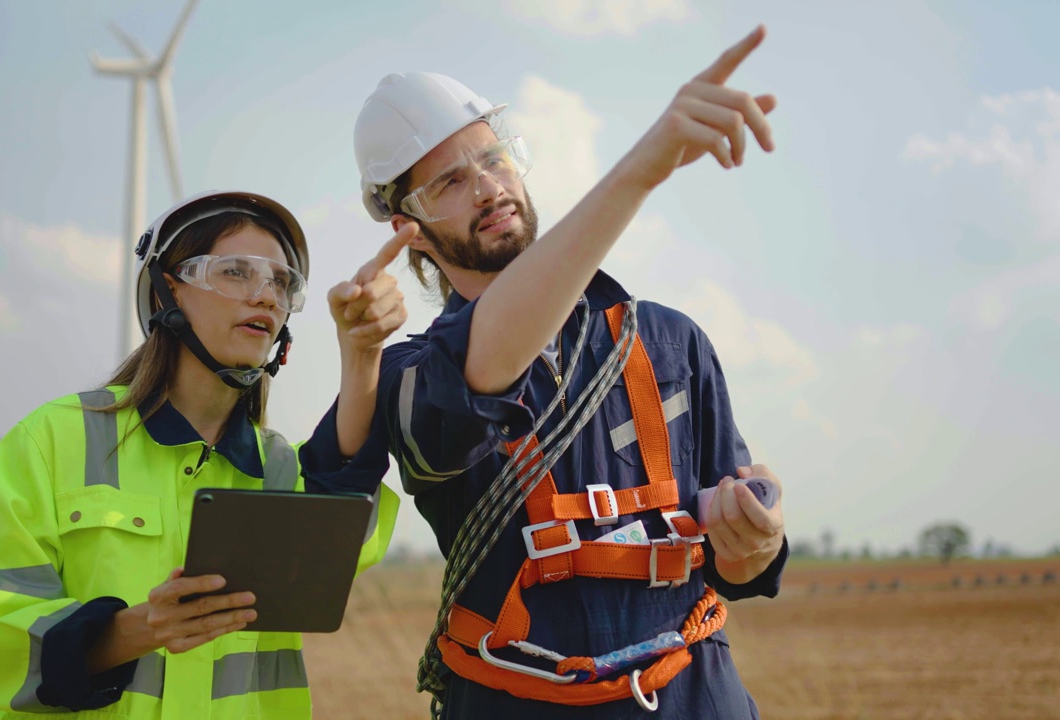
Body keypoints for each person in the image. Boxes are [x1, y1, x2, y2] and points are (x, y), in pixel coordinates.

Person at [319, 26, 789, 719]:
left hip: (697, 699)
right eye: (451, 179)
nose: (489, 188)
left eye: (494, 159)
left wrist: (756, 538)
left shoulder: (668, 339)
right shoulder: (404, 376)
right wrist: (641, 168)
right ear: (405, 225)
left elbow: (738, 563)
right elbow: (483, 366)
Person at [0, 190, 416, 719]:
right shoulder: (50, 442)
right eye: (236, 271)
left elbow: (342, 507)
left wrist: (363, 352)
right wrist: (139, 628)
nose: (265, 295)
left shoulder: (279, 470)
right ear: (165, 291)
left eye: (280, 282)